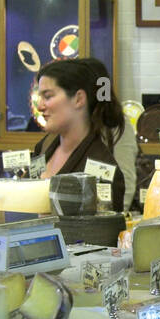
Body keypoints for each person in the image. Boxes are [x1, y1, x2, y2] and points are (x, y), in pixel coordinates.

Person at [32, 57, 127, 210]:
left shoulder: (102, 168)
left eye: (48, 96)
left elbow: (101, 231)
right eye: (40, 97)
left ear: (78, 99)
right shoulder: (43, 146)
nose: (40, 106)